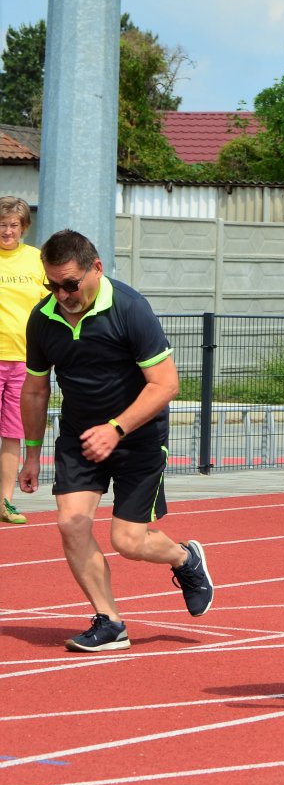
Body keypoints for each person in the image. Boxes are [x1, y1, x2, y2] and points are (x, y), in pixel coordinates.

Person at [18, 229, 216, 650]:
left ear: (96, 268)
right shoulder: (42, 318)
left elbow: (165, 384)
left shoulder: (129, 308)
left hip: (138, 438)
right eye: (52, 285)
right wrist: (31, 454)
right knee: (71, 524)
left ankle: (185, 558)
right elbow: (35, 390)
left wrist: (116, 429)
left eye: (70, 284)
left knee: (128, 541)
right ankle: (110, 622)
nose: (62, 294)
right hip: (79, 437)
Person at [0, 196, 37, 525]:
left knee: (12, 435)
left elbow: (50, 307)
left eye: (13, 225)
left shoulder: (36, 260)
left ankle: (5, 502)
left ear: (23, 227)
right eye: (2, 224)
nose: (7, 231)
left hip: (24, 362)